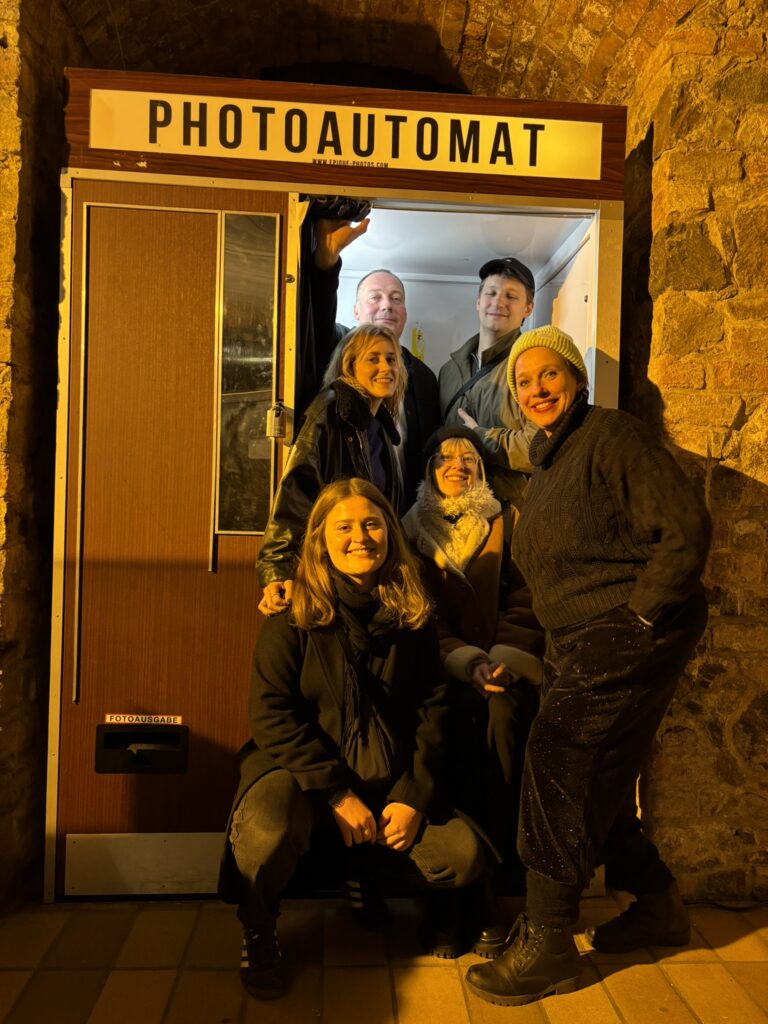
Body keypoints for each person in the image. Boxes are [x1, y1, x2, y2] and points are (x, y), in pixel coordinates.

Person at [465, 326, 712, 1008]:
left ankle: (549, 940)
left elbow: (685, 529)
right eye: (523, 381)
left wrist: (639, 618)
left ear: (576, 378)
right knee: (597, 775)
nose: (536, 389)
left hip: (630, 627)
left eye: (550, 374)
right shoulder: (550, 462)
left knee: (555, 756)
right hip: (579, 639)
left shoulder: (611, 436)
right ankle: (658, 903)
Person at [220, 478, 486, 999]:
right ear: (320, 539)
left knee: (461, 854)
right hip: (303, 775)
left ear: (390, 531)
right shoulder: (292, 613)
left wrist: (413, 797)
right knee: (266, 830)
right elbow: (270, 714)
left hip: (389, 772)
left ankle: (369, 874)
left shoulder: (413, 614)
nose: (360, 537)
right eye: (343, 527)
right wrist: (336, 793)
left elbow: (433, 710)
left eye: (371, 524)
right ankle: (258, 923)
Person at [402, 425, 543, 868]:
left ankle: (508, 851)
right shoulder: (408, 529)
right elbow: (418, 611)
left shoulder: (507, 521)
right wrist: (467, 662)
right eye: (445, 458)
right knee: (442, 723)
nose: (457, 467)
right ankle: (457, 851)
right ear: (429, 468)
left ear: (481, 469)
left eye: (468, 459)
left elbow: (526, 597)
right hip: (441, 664)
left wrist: (499, 659)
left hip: (503, 663)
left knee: (504, 716)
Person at [257, 323, 405, 615]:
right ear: (349, 365)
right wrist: (277, 568)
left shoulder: (380, 424)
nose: (386, 367)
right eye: (373, 359)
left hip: (363, 569)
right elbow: (295, 491)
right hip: (329, 569)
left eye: (391, 359)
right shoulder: (331, 410)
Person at [312, 218, 443, 505]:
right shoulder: (336, 349)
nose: (387, 305)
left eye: (396, 299)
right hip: (346, 512)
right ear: (356, 310)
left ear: (405, 313)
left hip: (406, 513)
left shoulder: (423, 377)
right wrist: (326, 262)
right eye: (375, 298)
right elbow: (317, 318)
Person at [438, 257, 538, 510]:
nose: (498, 302)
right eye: (491, 293)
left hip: (511, 517)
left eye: (511, 296)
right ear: (478, 302)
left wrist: (480, 437)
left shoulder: (533, 365)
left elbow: (539, 448)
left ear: (528, 309)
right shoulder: (448, 371)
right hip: (453, 515)